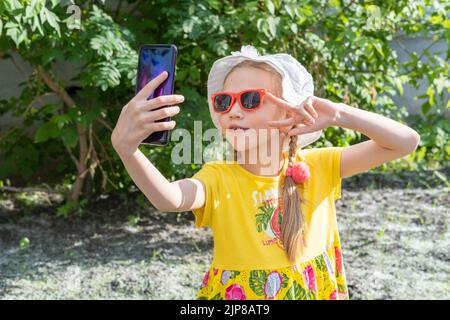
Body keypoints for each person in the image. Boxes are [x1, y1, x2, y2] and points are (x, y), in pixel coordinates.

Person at [111, 45, 420, 300]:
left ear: (289, 111)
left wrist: (339, 113)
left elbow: (405, 142)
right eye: (224, 101)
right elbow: (170, 198)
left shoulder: (319, 166)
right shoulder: (219, 177)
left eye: (250, 99)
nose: (233, 110)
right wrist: (129, 150)